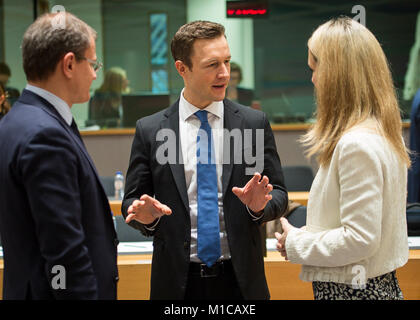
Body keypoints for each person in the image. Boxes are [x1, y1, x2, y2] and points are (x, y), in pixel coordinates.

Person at [121, 20, 288, 300]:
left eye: (227, 62)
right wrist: (147, 219)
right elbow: (133, 201)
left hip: (241, 281)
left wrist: (260, 208)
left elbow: (280, 194)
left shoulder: (252, 124)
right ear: (182, 69)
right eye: (212, 65)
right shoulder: (151, 130)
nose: (225, 74)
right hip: (177, 282)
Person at [276, 16, 410, 300]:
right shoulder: (383, 134)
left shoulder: (356, 145)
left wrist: (296, 241)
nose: (312, 79)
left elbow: (359, 239)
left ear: (339, 75)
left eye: (317, 68)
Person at [0, 12, 118, 299]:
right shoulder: (45, 134)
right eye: (92, 63)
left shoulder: (16, 120)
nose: (94, 74)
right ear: (68, 64)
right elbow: (64, 251)